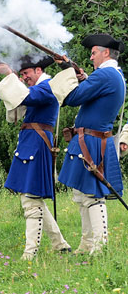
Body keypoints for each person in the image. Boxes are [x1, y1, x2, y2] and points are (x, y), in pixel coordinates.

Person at [0, 55, 77, 260]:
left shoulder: (48, 86)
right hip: (32, 144)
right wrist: (14, 77)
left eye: (26, 73)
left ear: (38, 71)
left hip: (37, 145)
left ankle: (29, 253)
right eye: (22, 74)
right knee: (34, 199)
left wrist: (10, 75)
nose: (24, 78)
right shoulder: (42, 86)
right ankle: (59, 244)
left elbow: (26, 97)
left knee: (31, 201)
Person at [58, 34, 125, 255]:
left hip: (92, 140)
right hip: (92, 139)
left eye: (94, 52)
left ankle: (99, 246)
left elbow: (72, 98)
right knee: (82, 195)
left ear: (106, 52)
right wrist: (83, 77)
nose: (91, 56)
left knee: (92, 196)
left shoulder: (105, 74)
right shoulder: (109, 74)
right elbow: (90, 91)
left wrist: (68, 72)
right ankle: (87, 245)